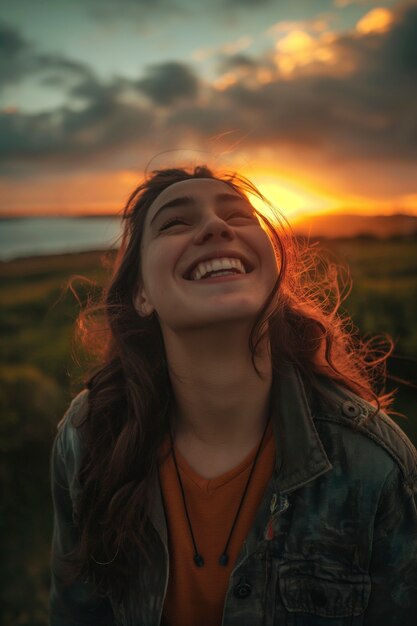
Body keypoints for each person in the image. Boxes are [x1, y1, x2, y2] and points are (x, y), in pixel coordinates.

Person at [50, 165, 417, 626]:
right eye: (175, 222)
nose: (216, 227)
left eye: (239, 216)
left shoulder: (373, 464)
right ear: (141, 293)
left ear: (273, 273)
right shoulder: (88, 437)